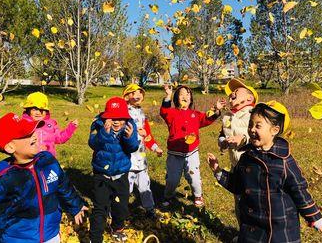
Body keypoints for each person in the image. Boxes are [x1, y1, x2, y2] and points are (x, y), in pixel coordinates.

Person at [208, 101, 322, 243]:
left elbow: (299, 191)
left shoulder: (283, 161)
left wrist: (317, 220)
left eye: (258, 126)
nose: (252, 129)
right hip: (252, 228)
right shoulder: (246, 157)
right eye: (250, 124)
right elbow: (238, 185)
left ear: (274, 130)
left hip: (280, 229)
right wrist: (218, 171)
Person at [0, 112, 87, 243]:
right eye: (27, 134)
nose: (34, 136)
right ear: (11, 147)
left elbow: (62, 184)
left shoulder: (48, 161)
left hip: (51, 235)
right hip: (20, 238)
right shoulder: (7, 179)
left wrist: (75, 204)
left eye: (33, 131)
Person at [160, 84, 226, 207]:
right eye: (181, 94)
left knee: (194, 177)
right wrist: (168, 95)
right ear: (176, 99)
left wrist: (216, 109)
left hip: (192, 153)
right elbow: (164, 111)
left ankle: (197, 195)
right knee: (172, 180)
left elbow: (207, 118)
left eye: (188, 94)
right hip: (174, 154)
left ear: (191, 99)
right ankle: (168, 196)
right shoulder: (172, 113)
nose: (185, 96)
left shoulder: (195, 114)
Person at [88, 97, 139, 243]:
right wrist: (104, 132)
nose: (116, 122)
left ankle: (117, 228)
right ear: (105, 117)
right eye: (112, 118)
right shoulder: (98, 125)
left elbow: (133, 148)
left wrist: (129, 138)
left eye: (120, 118)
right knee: (100, 208)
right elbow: (93, 143)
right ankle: (95, 238)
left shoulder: (130, 126)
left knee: (121, 206)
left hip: (121, 174)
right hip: (101, 175)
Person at [0, 91, 78, 157]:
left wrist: (71, 128)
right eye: (34, 109)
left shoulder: (51, 124)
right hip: (29, 158)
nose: (38, 113)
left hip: (48, 160)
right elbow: (7, 129)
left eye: (42, 110)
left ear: (46, 111)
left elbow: (60, 138)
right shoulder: (24, 123)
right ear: (28, 110)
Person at [218, 78, 258, 226]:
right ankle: (244, 231)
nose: (232, 94)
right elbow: (222, 134)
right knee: (239, 201)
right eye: (230, 93)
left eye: (237, 91)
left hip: (253, 165)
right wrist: (222, 142)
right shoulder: (227, 116)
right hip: (236, 165)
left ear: (249, 97)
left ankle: (259, 231)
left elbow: (260, 133)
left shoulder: (254, 113)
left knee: (253, 201)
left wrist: (244, 138)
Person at [123, 84, 163, 219]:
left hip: (141, 158)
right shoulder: (123, 112)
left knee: (145, 185)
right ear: (127, 96)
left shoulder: (141, 113)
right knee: (125, 188)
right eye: (134, 92)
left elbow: (148, 135)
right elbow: (120, 131)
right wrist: (134, 132)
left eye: (140, 92)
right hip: (127, 159)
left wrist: (155, 147)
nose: (138, 94)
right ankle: (119, 210)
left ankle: (150, 208)